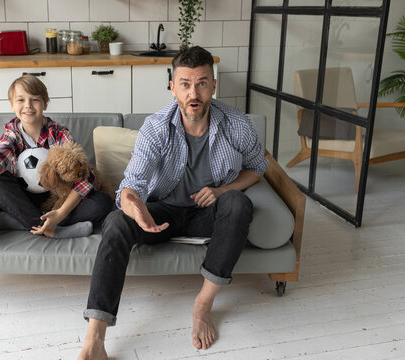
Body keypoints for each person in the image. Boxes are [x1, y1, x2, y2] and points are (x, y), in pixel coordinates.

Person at [77, 46, 268, 359]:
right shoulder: (156, 127)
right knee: (114, 221)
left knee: (237, 202)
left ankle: (202, 306)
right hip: (160, 213)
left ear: (214, 85)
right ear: (173, 87)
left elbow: (258, 167)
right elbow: (131, 184)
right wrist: (133, 205)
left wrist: (222, 192)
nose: (194, 93)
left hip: (207, 213)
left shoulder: (237, 123)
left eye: (202, 83)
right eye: (185, 84)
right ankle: (95, 337)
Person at [0, 75, 113, 238]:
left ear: (45, 103)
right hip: (24, 198)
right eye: (20, 100)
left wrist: (60, 213)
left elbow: (85, 175)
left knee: (103, 201)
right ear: (12, 105)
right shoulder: (13, 134)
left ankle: (21, 222)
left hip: (57, 196)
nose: (28, 106)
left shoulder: (59, 133)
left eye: (35, 100)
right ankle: (48, 227)